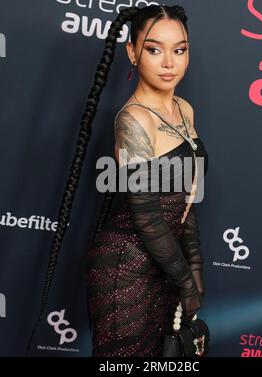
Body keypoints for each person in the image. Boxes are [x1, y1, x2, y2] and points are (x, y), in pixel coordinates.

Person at [27, 4, 208, 357]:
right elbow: (146, 215)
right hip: (126, 270)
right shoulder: (133, 121)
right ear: (132, 53)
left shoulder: (185, 110)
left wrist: (195, 267)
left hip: (167, 268)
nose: (170, 62)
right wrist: (186, 279)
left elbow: (188, 198)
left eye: (180, 50)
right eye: (154, 49)